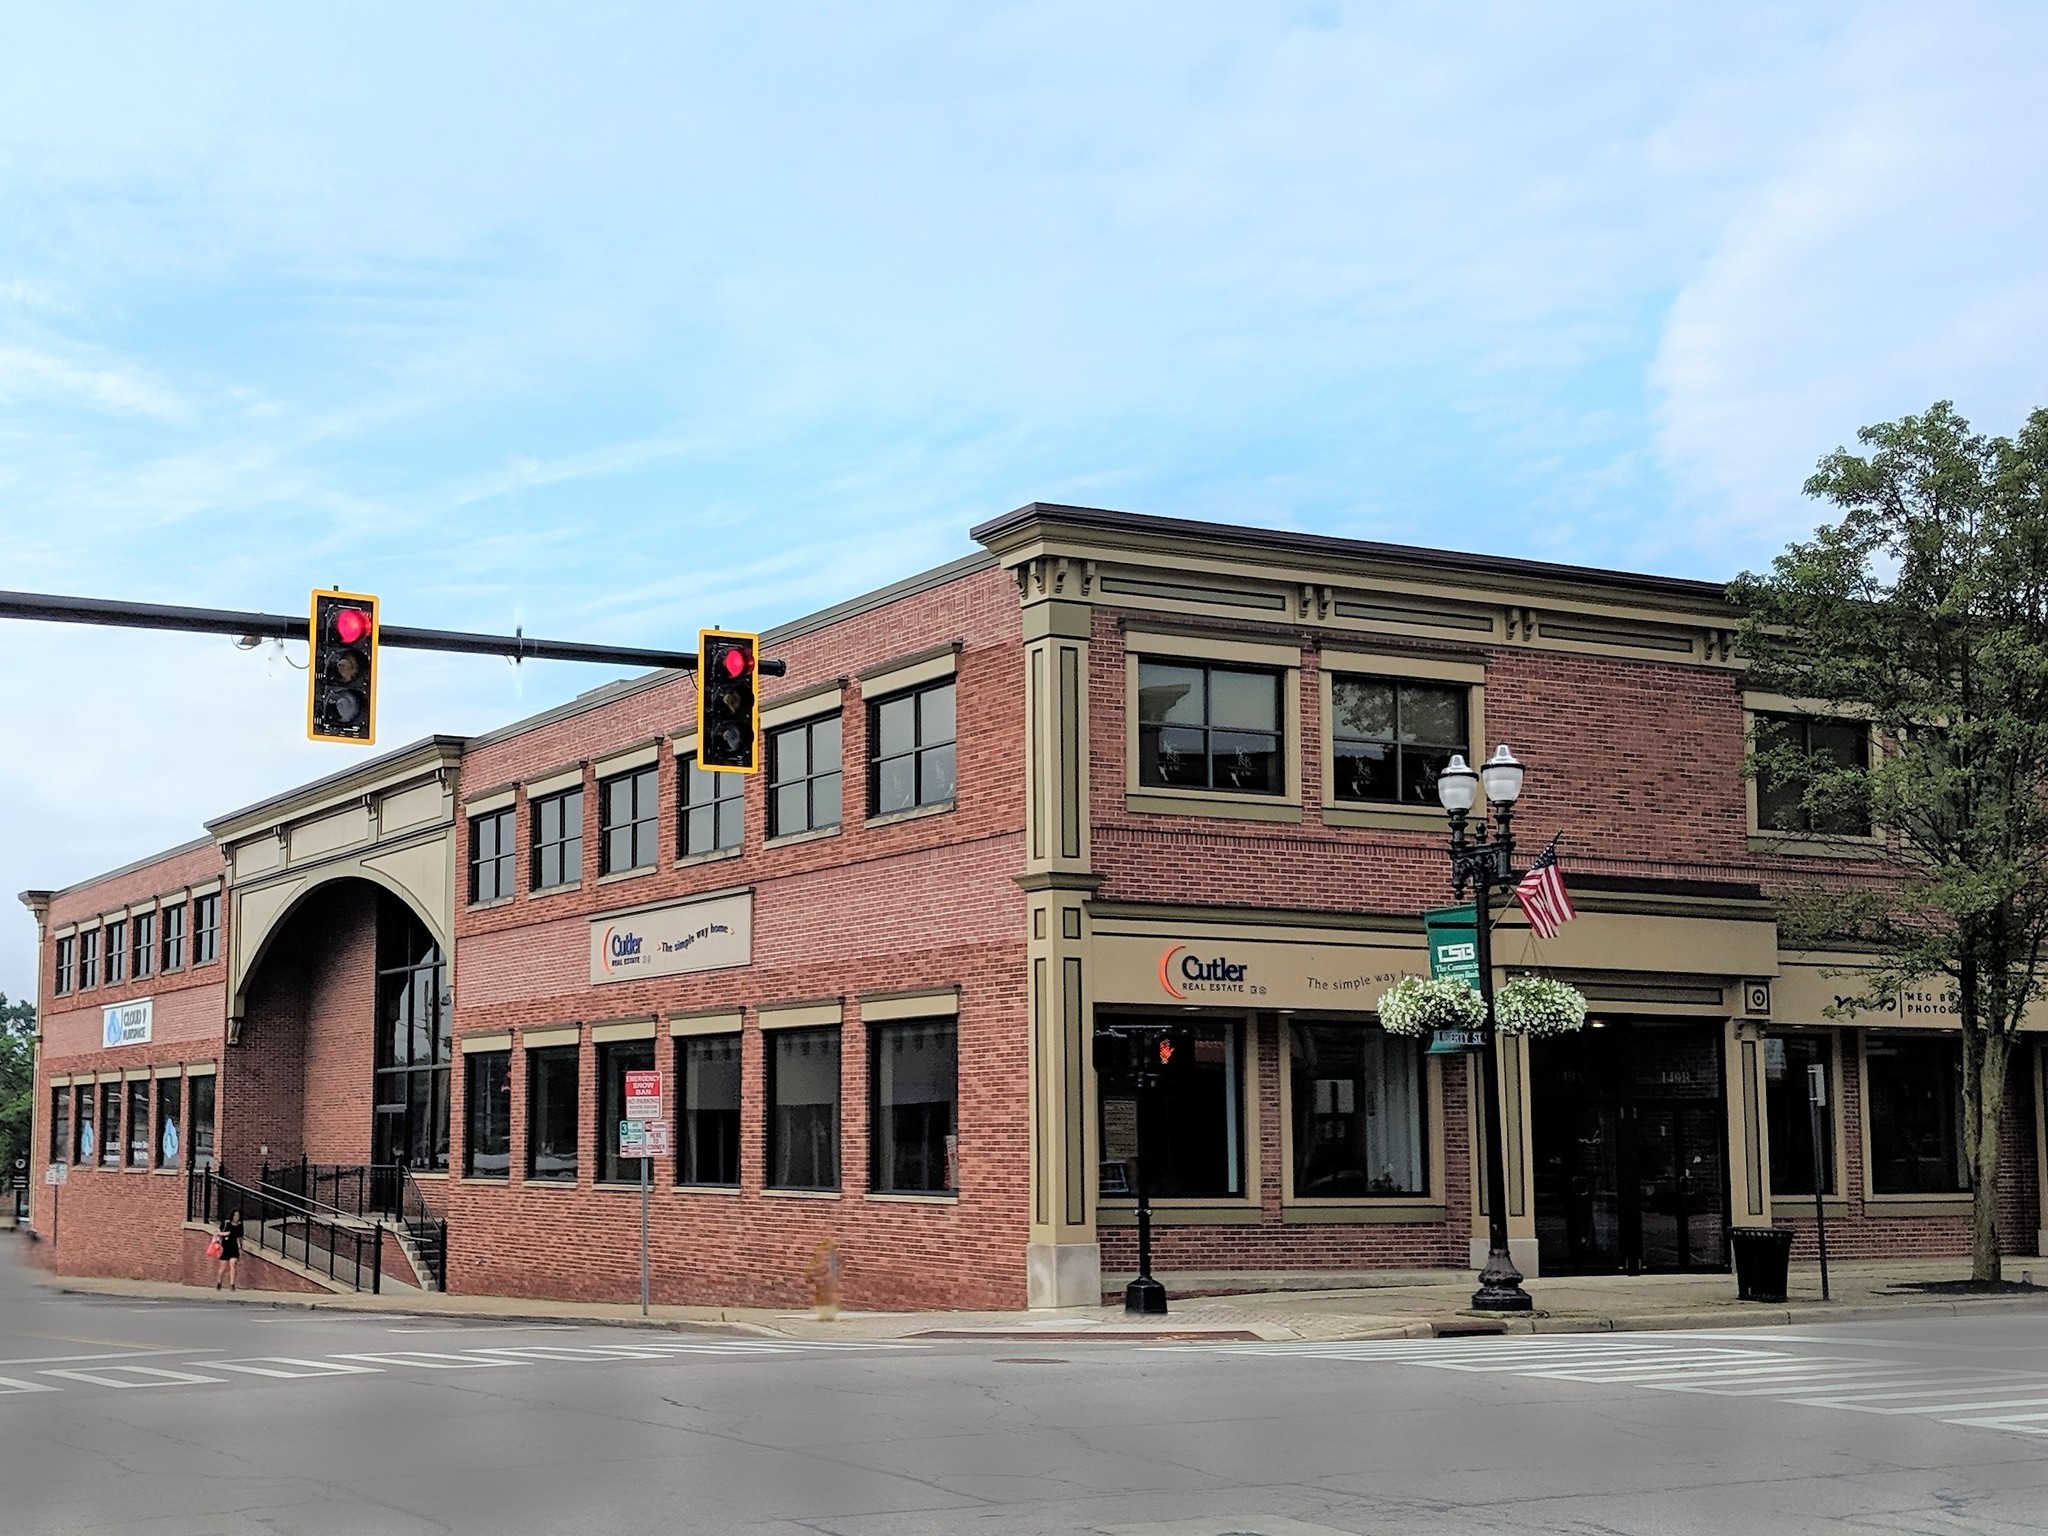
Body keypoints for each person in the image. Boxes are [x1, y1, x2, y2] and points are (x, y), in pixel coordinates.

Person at [216, 1208, 244, 1291]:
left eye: (238, 1215)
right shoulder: (226, 1223)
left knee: (232, 1265)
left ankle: (232, 1284)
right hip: (225, 1246)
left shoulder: (240, 1225)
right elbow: (219, 1232)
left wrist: (241, 1247)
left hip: (234, 1247)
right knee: (223, 1268)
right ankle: (219, 1281)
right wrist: (224, 1234)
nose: (236, 1217)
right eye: (235, 1215)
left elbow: (240, 1237)